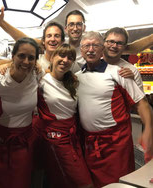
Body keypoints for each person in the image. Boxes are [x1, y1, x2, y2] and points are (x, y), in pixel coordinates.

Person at [76, 31, 153, 187]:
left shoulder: (120, 73)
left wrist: (148, 131)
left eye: (95, 45)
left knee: (119, 182)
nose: (91, 49)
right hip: (90, 143)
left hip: (115, 143)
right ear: (81, 50)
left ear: (101, 48)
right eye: (86, 46)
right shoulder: (76, 77)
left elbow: (142, 103)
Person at [0, 8, 153, 73]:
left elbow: (129, 48)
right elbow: (26, 40)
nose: (75, 28)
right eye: (71, 25)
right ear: (66, 28)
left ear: (83, 27)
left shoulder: (93, 46)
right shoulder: (60, 44)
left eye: (78, 25)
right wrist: (2, 23)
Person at [0, 37, 41, 188]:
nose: (26, 61)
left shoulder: (37, 76)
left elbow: (57, 74)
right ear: (13, 56)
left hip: (25, 141)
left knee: (21, 182)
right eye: (21, 56)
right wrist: (5, 64)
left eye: (31, 58)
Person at [35, 43, 93, 188]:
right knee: (82, 183)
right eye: (61, 55)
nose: (65, 60)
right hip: (55, 138)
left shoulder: (72, 82)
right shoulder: (41, 81)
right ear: (53, 57)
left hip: (74, 136)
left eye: (70, 58)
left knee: (64, 180)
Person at [103, 27, 143, 91]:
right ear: (103, 43)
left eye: (119, 43)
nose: (114, 46)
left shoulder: (132, 71)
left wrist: (131, 83)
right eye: (111, 41)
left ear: (125, 47)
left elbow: (140, 100)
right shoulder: (91, 64)